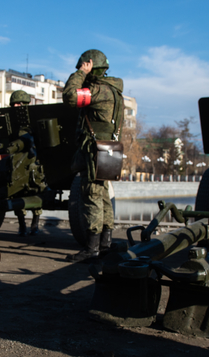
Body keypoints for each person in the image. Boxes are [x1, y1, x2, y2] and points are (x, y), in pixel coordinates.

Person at [62, 49, 123, 262]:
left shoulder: (97, 91)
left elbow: (69, 97)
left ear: (90, 66)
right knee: (103, 194)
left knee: (92, 196)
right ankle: (105, 243)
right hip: (110, 148)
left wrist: (79, 73)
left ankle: (92, 248)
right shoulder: (115, 91)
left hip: (95, 150)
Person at [9, 90, 43, 235]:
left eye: (19, 103)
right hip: (16, 163)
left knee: (36, 191)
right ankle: (22, 225)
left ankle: (35, 224)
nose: (16, 106)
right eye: (14, 104)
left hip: (32, 161)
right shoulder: (10, 123)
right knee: (16, 195)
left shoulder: (32, 121)